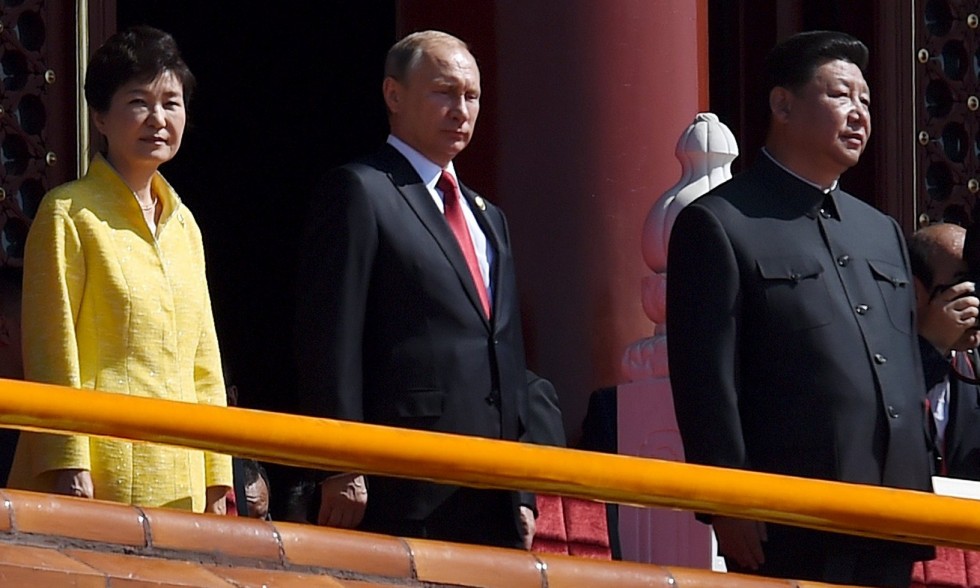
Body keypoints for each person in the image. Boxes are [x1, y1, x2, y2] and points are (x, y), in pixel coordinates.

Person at [666, 30, 934, 586]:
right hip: (790, 512)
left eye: (865, 99)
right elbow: (705, 380)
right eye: (840, 95)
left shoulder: (880, 230)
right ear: (783, 104)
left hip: (895, 508)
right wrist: (727, 499)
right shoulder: (722, 222)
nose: (859, 113)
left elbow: (899, 368)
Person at [293, 30, 534, 549]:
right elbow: (330, 338)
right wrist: (339, 463)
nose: (461, 109)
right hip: (404, 480)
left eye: (471, 96)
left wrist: (522, 488)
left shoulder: (488, 216)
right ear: (394, 95)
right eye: (444, 92)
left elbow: (506, 352)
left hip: (491, 484)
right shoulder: (362, 190)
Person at [7, 26, 232, 513]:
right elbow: (52, 350)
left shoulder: (184, 223)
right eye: (138, 102)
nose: (157, 119)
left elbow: (204, 361)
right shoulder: (68, 213)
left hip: (182, 473)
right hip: (101, 470)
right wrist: (67, 459)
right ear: (100, 117)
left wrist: (218, 473)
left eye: (171, 103)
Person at [908, 222, 980, 480]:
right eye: (964, 288)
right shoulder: (881, 357)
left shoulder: (974, 365)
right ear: (915, 291)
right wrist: (931, 348)